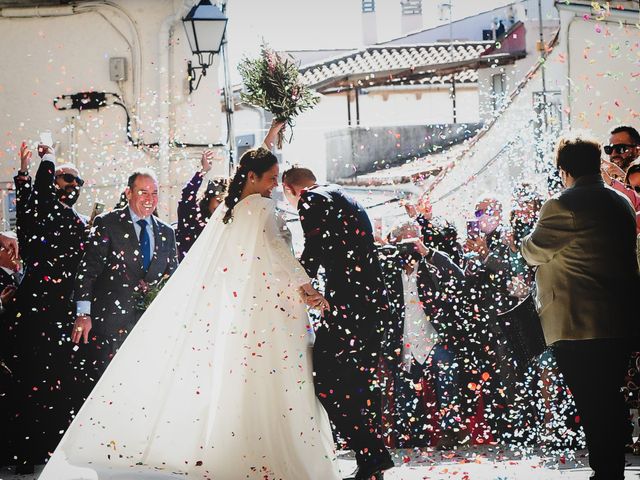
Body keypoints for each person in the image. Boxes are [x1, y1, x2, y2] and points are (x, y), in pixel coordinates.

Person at [40, 147, 341, 480]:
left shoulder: (227, 211)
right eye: (270, 178)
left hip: (238, 314)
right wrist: (306, 286)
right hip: (261, 311)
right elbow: (277, 250)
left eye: (154, 193)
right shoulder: (260, 207)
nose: (273, 185)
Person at [522, 133, 640, 480]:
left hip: (577, 324)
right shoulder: (620, 202)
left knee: (592, 399)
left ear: (564, 170)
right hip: (618, 320)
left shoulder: (562, 204)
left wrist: (526, 236)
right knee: (609, 395)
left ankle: (605, 471)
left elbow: (533, 251)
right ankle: (611, 467)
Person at [282, 167, 394, 480]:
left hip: (347, 307)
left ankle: (374, 454)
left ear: (290, 189)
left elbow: (314, 249)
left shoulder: (311, 199)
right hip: (373, 306)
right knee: (360, 386)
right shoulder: (347, 198)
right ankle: (371, 465)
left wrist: (301, 285)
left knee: (326, 381)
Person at [6, 144, 88, 474]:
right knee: (29, 382)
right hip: (34, 313)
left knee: (60, 382)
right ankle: (27, 452)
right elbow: (32, 201)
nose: (73, 184)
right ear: (53, 181)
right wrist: (43, 161)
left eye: (77, 181)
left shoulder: (75, 220)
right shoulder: (42, 210)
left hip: (63, 313)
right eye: (66, 178)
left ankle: (50, 449)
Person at [72, 168, 178, 379]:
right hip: (110, 327)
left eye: (154, 193)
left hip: (151, 328)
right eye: (143, 192)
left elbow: (172, 279)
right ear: (129, 193)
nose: (150, 199)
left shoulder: (167, 232)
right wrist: (83, 314)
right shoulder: (108, 223)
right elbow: (87, 270)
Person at [176, 150, 227, 261]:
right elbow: (187, 196)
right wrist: (203, 171)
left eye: (224, 204)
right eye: (218, 201)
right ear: (208, 198)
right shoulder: (193, 216)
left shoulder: (226, 224)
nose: (221, 207)